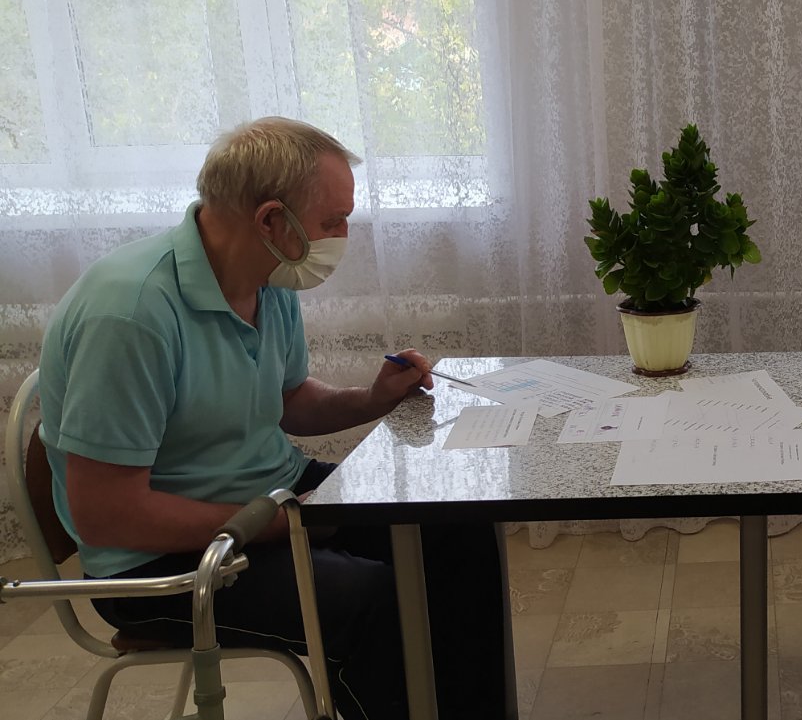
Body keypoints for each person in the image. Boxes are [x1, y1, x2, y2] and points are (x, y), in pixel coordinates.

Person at [37, 117, 513, 719]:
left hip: (272, 499)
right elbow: (106, 515)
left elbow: (287, 401)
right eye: (333, 221)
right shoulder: (130, 315)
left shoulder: (269, 277)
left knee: (458, 527)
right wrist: (285, 524)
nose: (343, 236)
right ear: (270, 220)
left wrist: (371, 399)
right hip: (158, 562)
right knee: (367, 600)